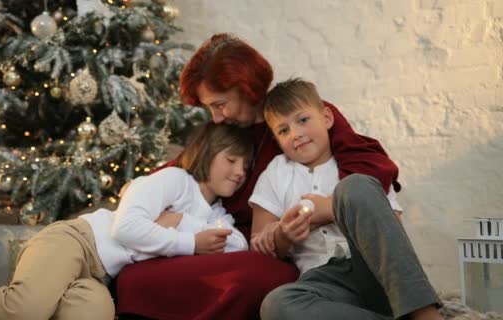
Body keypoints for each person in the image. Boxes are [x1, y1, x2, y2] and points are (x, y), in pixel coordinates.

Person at [115, 33, 403, 320]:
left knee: (251, 283)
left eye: (219, 104)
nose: (215, 117)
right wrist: (141, 189)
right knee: (133, 278)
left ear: (245, 88)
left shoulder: (297, 117)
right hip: (218, 238)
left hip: (276, 251)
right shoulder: (225, 131)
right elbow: (187, 166)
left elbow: (369, 166)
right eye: (209, 109)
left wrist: (321, 210)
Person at [0, 123, 251, 320]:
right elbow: (125, 228)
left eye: (246, 167)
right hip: (77, 241)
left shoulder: (218, 215)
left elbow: (238, 245)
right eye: (231, 160)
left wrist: (178, 220)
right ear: (207, 153)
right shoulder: (176, 180)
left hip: (100, 276)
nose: (240, 172)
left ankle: (47, 296)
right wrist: (191, 242)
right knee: (26, 310)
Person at [251, 78, 442, 320]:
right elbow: (259, 241)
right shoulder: (275, 174)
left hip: (375, 272)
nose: (296, 134)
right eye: (283, 130)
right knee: (276, 305)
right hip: (325, 284)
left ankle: (425, 314)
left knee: (354, 186)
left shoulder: (361, 162)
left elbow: (392, 229)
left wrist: (331, 209)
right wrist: (282, 235)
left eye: (302, 120)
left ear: (327, 118)